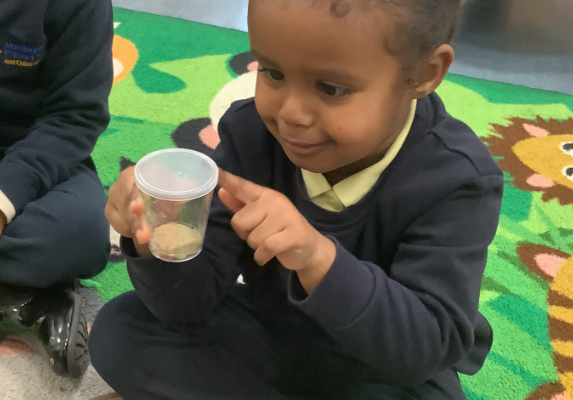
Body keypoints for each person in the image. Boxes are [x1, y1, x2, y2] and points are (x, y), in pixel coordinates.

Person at [90, 0, 503, 398]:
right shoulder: (250, 133)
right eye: (272, 73)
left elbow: (427, 346)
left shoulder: (459, 179)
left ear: (424, 73)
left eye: (331, 88)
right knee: (121, 329)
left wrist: (319, 259)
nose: (290, 114)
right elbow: (187, 305)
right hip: (272, 333)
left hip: (380, 370)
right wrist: (156, 235)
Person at [0, 0, 113, 378]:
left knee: (81, 230)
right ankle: (26, 299)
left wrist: (4, 199)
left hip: (38, 157)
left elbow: (73, 117)